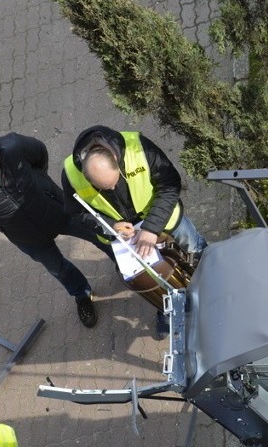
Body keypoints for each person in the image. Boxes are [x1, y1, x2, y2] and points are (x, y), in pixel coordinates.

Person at [0, 133, 112, 328]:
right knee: (58, 269)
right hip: (27, 238)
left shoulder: (12, 148)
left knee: (98, 236)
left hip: (58, 209)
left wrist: (41, 186)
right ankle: (82, 294)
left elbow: (40, 154)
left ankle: (124, 266)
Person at [61, 126, 207, 339]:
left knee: (195, 248)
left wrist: (151, 229)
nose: (111, 190)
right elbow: (76, 213)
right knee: (151, 276)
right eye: (103, 188)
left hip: (163, 218)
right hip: (124, 236)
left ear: (115, 158)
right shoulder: (70, 174)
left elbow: (169, 184)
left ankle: (213, 278)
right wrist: (111, 225)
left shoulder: (137, 147)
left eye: (114, 183)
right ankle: (165, 307)